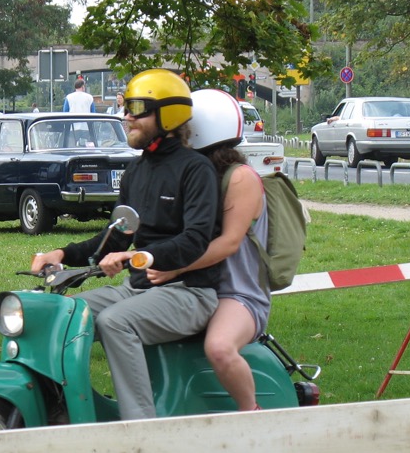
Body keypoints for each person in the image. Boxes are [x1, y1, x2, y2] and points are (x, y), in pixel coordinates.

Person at [31, 69, 220, 420]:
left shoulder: (196, 170)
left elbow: (195, 240)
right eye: (128, 108)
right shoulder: (136, 172)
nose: (127, 116)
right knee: (63, 314)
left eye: (138, 109)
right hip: (137, 290)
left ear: (168, 114)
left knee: (116, 322)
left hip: (189, 292)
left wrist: (139, 256)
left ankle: (140, 434)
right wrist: (61, 253)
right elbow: (116, 236)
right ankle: (63, 412)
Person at [145, 90, 268, 412]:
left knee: (219, 348)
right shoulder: (195, 173)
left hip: (236, 293)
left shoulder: (241, 178)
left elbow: (229, 243)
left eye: (181, 128)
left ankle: (251, 415)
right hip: (195, 285)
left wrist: (176, 267)